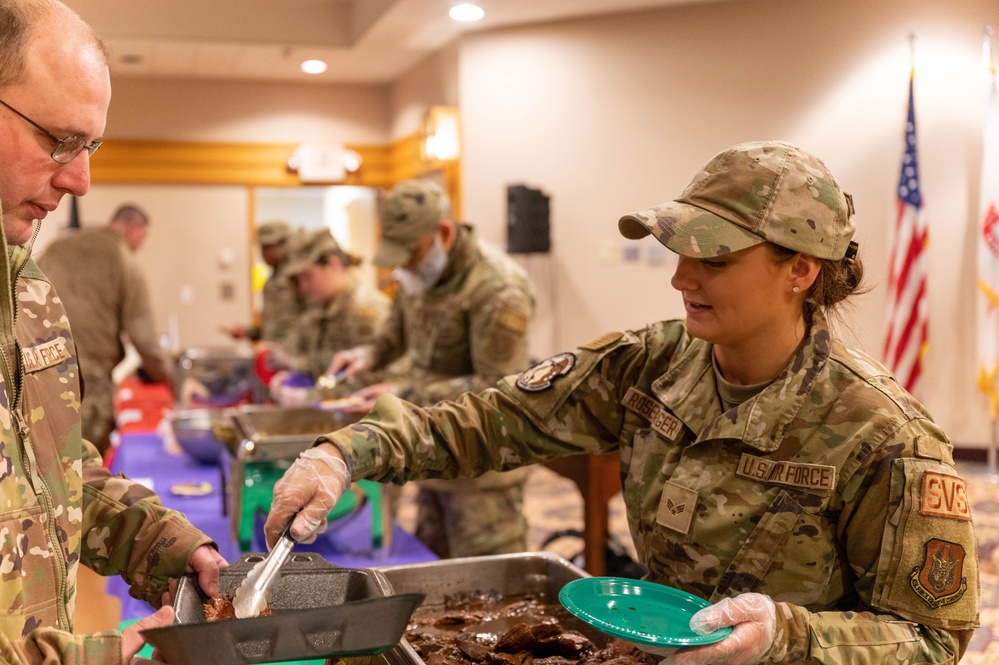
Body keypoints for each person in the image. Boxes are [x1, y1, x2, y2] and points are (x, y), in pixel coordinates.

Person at [267, 141, 979, 665]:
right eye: (679, 252)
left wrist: (783, 635)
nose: (680, 278)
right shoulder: (652, 362)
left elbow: (933, 637)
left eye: (715, 260)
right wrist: (343, 451)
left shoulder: (883, 434)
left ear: (800, 269)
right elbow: (492, 419)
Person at [0, 1, 227, 662]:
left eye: (89, 147)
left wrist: (158, 541)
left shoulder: (27, 287)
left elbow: (50, 470)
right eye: (59, 140)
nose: (80, 179)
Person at [326, 179, 537, 558]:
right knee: (434, 569)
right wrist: (368, 355)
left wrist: (402, 395)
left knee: (488, 586)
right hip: (434, 452)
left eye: (410, 252)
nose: (404, 263)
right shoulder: (422, 271)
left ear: (442, 233)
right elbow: (395, 333)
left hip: (483, 469)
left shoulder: (497, 288)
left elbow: (498, 388)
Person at [37, 203, 172, 455]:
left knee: (43, 459)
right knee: (83, 463)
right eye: (143, 237)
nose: (140, 244)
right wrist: (164, 375)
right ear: (132, 228)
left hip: (37, 371)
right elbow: (143, 336)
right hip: (87, 379)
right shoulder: (123, 259)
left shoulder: (57, 247)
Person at [265, 227, 390, 399]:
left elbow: (370, 383)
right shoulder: (321, 305)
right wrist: (294, 372)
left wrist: (309, 397)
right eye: (299, 280)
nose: (304, 287)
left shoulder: (366, 310)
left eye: (308, 276)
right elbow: (321, 363)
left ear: (333, 264)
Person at [222, 220, 305, 347]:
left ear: (284, 244)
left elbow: (308, 325)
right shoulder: (270, 283)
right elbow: (271, 328)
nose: (264, 253)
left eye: (268, 247)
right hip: (273, 356)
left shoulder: (299, 278)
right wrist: (247, 332)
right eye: (262, 247)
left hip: (294, 356)